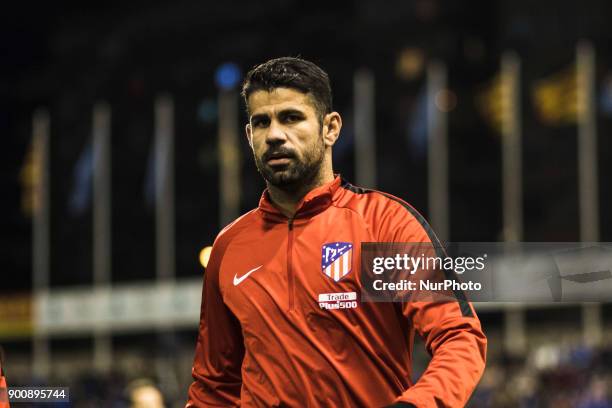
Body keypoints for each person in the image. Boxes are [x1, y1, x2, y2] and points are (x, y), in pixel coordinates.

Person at [186, 57, 486, 408]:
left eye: (291, 117)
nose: (275, 135)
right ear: (250, 136)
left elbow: (458, 338)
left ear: (330, 128)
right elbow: (213, 387)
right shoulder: (230, 247)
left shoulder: (384, 225)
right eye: (262, 122)